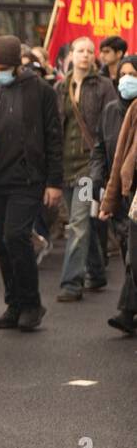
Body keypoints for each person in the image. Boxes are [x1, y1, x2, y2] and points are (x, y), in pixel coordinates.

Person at [0, 35, 64, 331]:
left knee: (16, 237)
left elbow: (54, 138)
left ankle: (32, 304)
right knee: (3, 243)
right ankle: (14, 303)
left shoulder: (41, 92)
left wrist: (54, 182)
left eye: (4, 67)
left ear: (18, 64)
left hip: (28, 179)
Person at [54, 36, 117, 302]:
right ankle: (97, 271)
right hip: (65, 164)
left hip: (88, 166)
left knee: (77, 222)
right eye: (80, 50)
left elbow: (112, 123)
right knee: (84, 220)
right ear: (71, 55)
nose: (86, 55)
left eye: (90, 51)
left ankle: (71, 283)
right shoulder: (60, 87)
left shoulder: (103, 86)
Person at [98, 55, 137, 333]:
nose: (127, 80)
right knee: (132, 257)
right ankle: (128, 311)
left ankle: (127, 311)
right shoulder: (120, 110)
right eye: (123, 74)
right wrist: (108, 199)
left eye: (133, 74)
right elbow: (116, 157)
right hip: (130, 196)